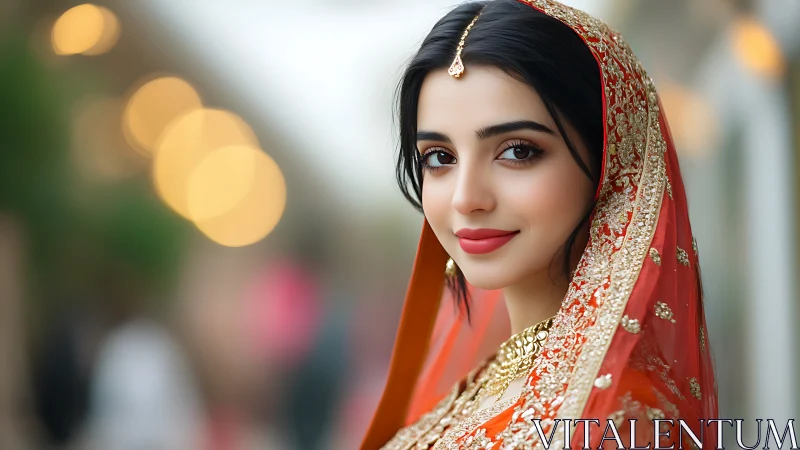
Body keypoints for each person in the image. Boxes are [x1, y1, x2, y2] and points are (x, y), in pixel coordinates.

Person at [361, 0, 718, 448]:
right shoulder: (479, 386)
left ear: (613, 166)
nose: (466, 198)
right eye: (440, 158)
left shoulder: (624, 419)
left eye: (518, 151)